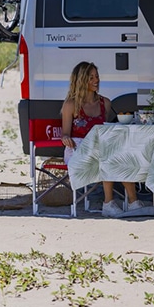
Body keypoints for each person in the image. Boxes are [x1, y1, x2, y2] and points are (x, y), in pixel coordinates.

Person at [61, 61, 143, 217]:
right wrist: (65, 138)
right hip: (78, 148)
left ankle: (130, 202)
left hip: (101, 148)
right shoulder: (71, 105)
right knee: (109, 152)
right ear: (81, 80)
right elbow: (65, 133)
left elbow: (105, 128)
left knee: (119, 152)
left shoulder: (104, 102)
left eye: (97, 76)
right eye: (91, 77)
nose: (96, 80)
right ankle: (114, 202)